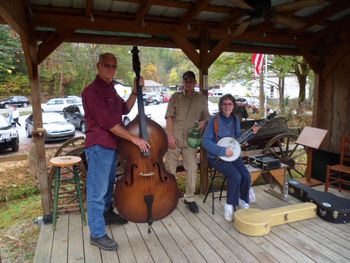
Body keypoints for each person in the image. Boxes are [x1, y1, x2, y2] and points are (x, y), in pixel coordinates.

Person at [82, 52, 150, 251]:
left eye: (113, 66)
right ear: (98, 66)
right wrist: (135, 139)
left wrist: (136, 92)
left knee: (108, 184)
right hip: (99, 146)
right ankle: (97, 233)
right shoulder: (92, 91)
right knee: (97, 190)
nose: (110, 68)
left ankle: (107, 213)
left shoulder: (112, 89)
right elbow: (109, 123)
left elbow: (125, 110)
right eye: (106, 65)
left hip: (112, 147)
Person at [202, 94, 259, 221]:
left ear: (233, 106)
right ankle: (229, 205)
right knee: (235, 176)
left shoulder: (235, 119)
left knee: (246, 175)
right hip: (216, 156)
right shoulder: (214, 120)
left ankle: (243, 199)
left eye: (230, 104)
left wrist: (251, 133)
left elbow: (238, 139)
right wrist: (222, 151)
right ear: (221, 105)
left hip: (232, 154)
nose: (227, 106)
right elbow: (205, 142)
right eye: (224, 104)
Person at [164, 70, 210, 213]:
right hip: (175, 139)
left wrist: (203, 123)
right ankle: (169, 197)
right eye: (186, 81)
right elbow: (169, 117)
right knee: (170, 168)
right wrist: (169, 136)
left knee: (191, 168)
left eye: (191, 81)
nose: (188, 83)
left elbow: (207, 116)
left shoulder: (201, 98)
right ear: (182, 82)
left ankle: (189, 198)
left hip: (191, 140)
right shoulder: (175, 98)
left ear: (195, 82)